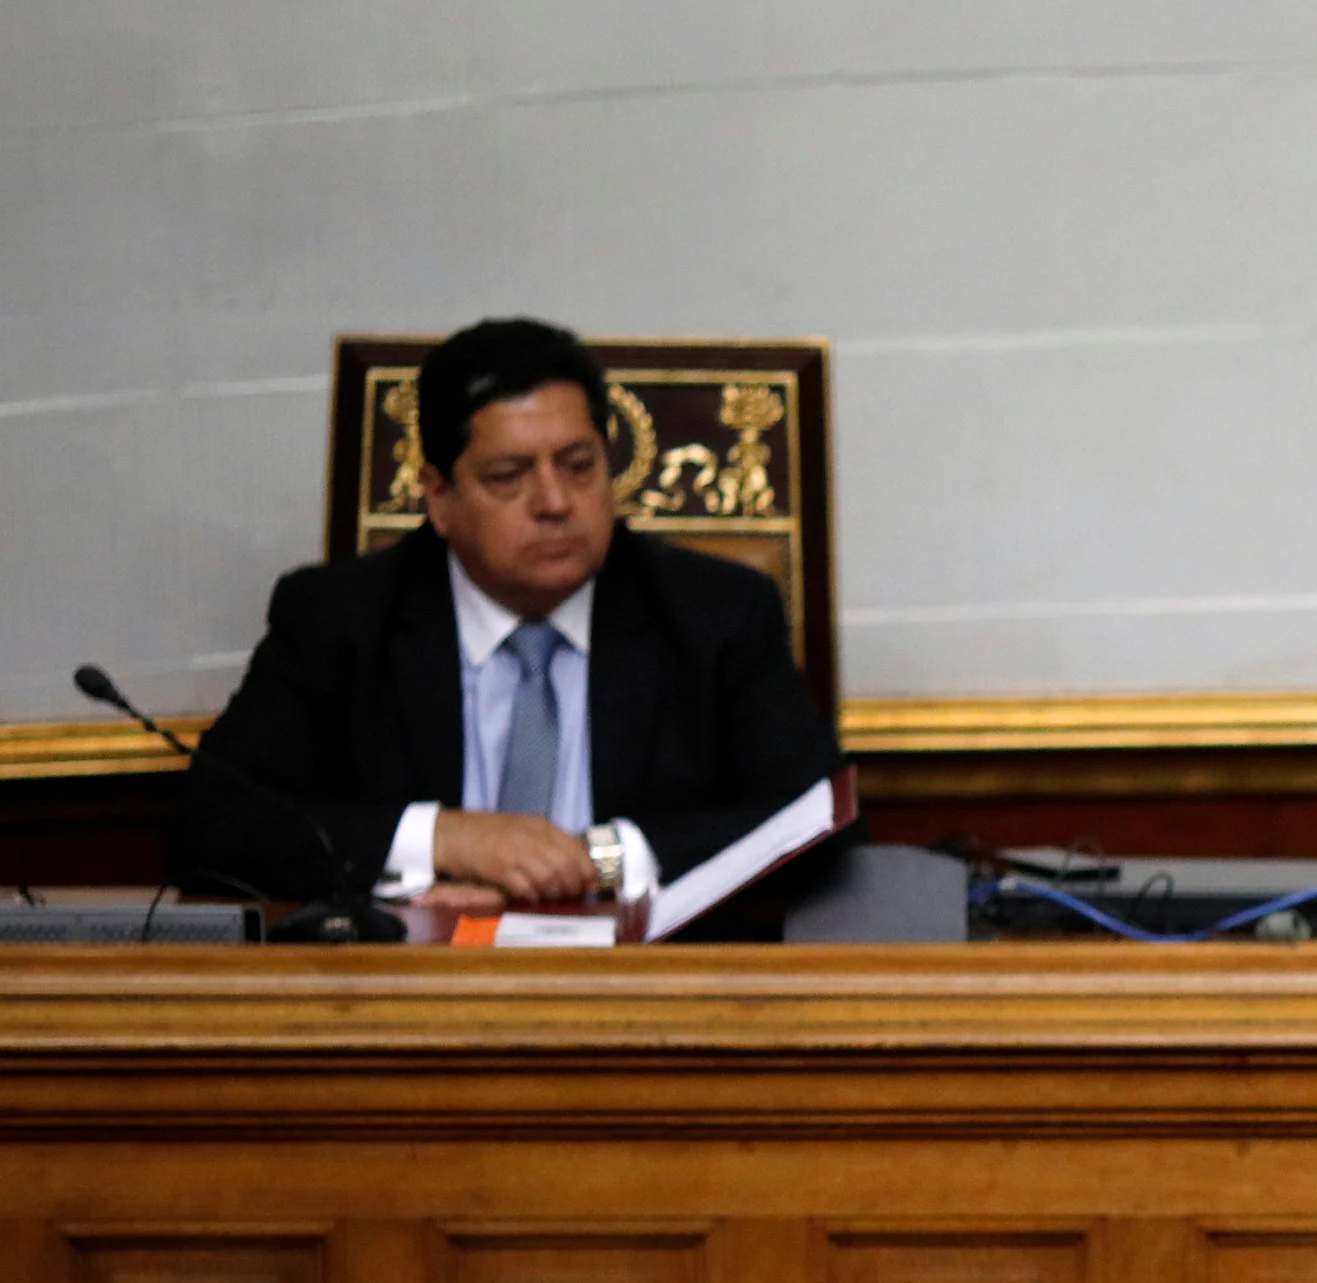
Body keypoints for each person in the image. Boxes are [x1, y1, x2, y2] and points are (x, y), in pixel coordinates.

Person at [172, 318, 839, 917]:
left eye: (580, 466)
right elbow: (214, 824)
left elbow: (817, 822)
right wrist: (448, 840)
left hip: (644, 995)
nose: (555, 501)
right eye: (509, 477)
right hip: (410, 998)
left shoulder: (714, 613)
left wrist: (599, 858)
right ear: (439, 496)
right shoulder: (339, 619)